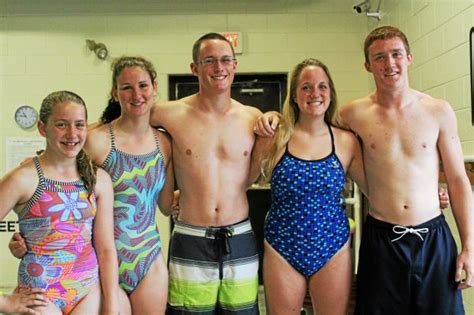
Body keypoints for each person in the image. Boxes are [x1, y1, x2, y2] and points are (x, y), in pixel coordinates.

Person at [256, 26, 472, 314]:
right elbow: (312, 126)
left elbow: (458, 180)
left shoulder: (438, 111)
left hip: (432, 236)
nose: (389, 63)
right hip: (381, 239)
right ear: (367, 65)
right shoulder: (352, 116)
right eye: (379, 57)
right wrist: (272, 116)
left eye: (396, 54)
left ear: (409, 56)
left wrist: (469, 246)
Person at [149, 32, 262, 314]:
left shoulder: (253, 117)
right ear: (194, 68)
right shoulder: (169, 113)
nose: (218, 67)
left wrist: (278, 118)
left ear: (235, 65)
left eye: (225, 60)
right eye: (209, 60)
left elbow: (255, 172)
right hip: (191, 236)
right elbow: (123, 122)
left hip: (239, 236)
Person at [248, 58, 367, 314]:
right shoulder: (275, 138)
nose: (315, 94)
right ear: (294, 95)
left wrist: (430, 195)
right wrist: (187, 194)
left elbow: (376, 190)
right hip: (282, 246)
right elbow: (239, 182)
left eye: (322, 87)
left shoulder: (346, 141)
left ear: (330, 93)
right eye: (306, 87)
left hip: (332, 245)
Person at [0, 91, 119, 314]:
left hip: (87, 291)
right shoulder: (23, 178)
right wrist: (4, 302)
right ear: (43, 128)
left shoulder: (97, 180)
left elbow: (105, 248)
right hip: (41, 295)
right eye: (62, 125)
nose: (72, 133)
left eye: (79, 124)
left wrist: (112, 306)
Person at [84, 56, 175, 314]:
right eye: (127, 87)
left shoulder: (164, 144)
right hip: (101, 258)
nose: (136, 94)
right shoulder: (97, 141)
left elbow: (166, 206)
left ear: (154, 87)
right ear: (115, 93)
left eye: (143, 86)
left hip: (148, 259)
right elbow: (61, 186)